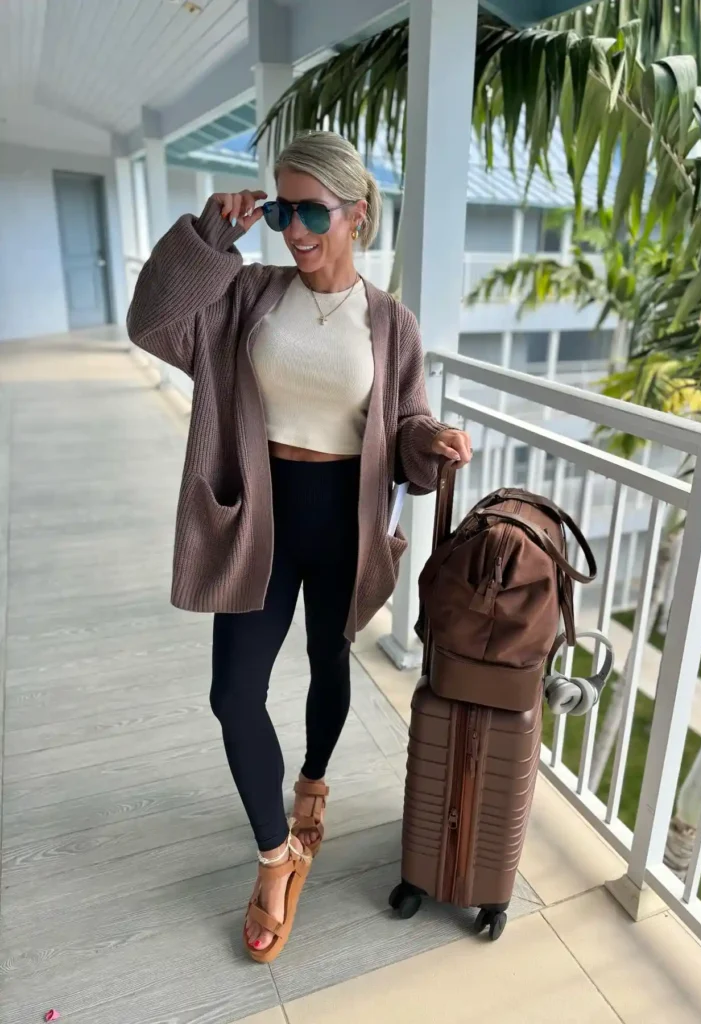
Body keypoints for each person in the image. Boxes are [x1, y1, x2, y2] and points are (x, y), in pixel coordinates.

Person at [127, 130, 472, 964]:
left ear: (356, 213)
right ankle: (276, 854)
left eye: (310, 210)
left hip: (343, 517)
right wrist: (210, 238)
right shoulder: (247, 293)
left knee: (328, 659)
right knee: (233, 693)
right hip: (258, 511)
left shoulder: (391, 322)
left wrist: (433, 443)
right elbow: (152, 321)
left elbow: (404, 424)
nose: (293, 227)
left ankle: (312, 783)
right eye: (281, 208)